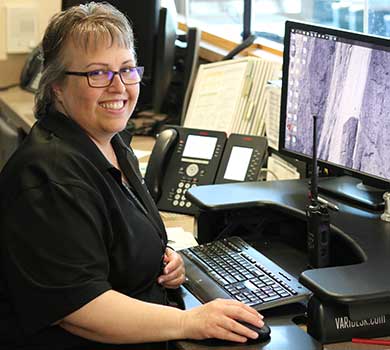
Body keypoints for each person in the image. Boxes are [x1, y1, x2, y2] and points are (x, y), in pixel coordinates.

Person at [0, 2, 264, 349]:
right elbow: (81, 307)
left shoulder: (110, 144)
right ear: (56, 87)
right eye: (98, 73)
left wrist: (165, 261)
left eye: (127, 69)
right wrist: (190, 321)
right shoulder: (49, 176)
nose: (118, 86)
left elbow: (116, 240)